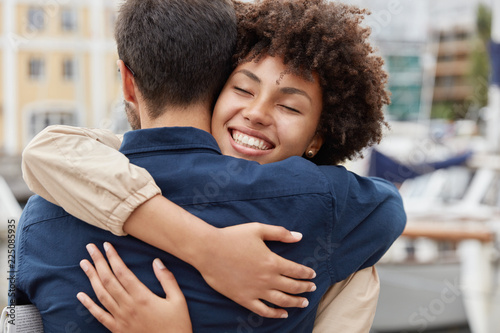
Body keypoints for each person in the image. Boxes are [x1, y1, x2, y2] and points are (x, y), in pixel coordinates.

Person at [17, 0, 406, 332]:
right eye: (244, 88)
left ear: (127, 83)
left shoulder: (41, 215)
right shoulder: (329, 211)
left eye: (288, 106)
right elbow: (389, 209)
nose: (255, 113)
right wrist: (205, 248)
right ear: (218, 80)